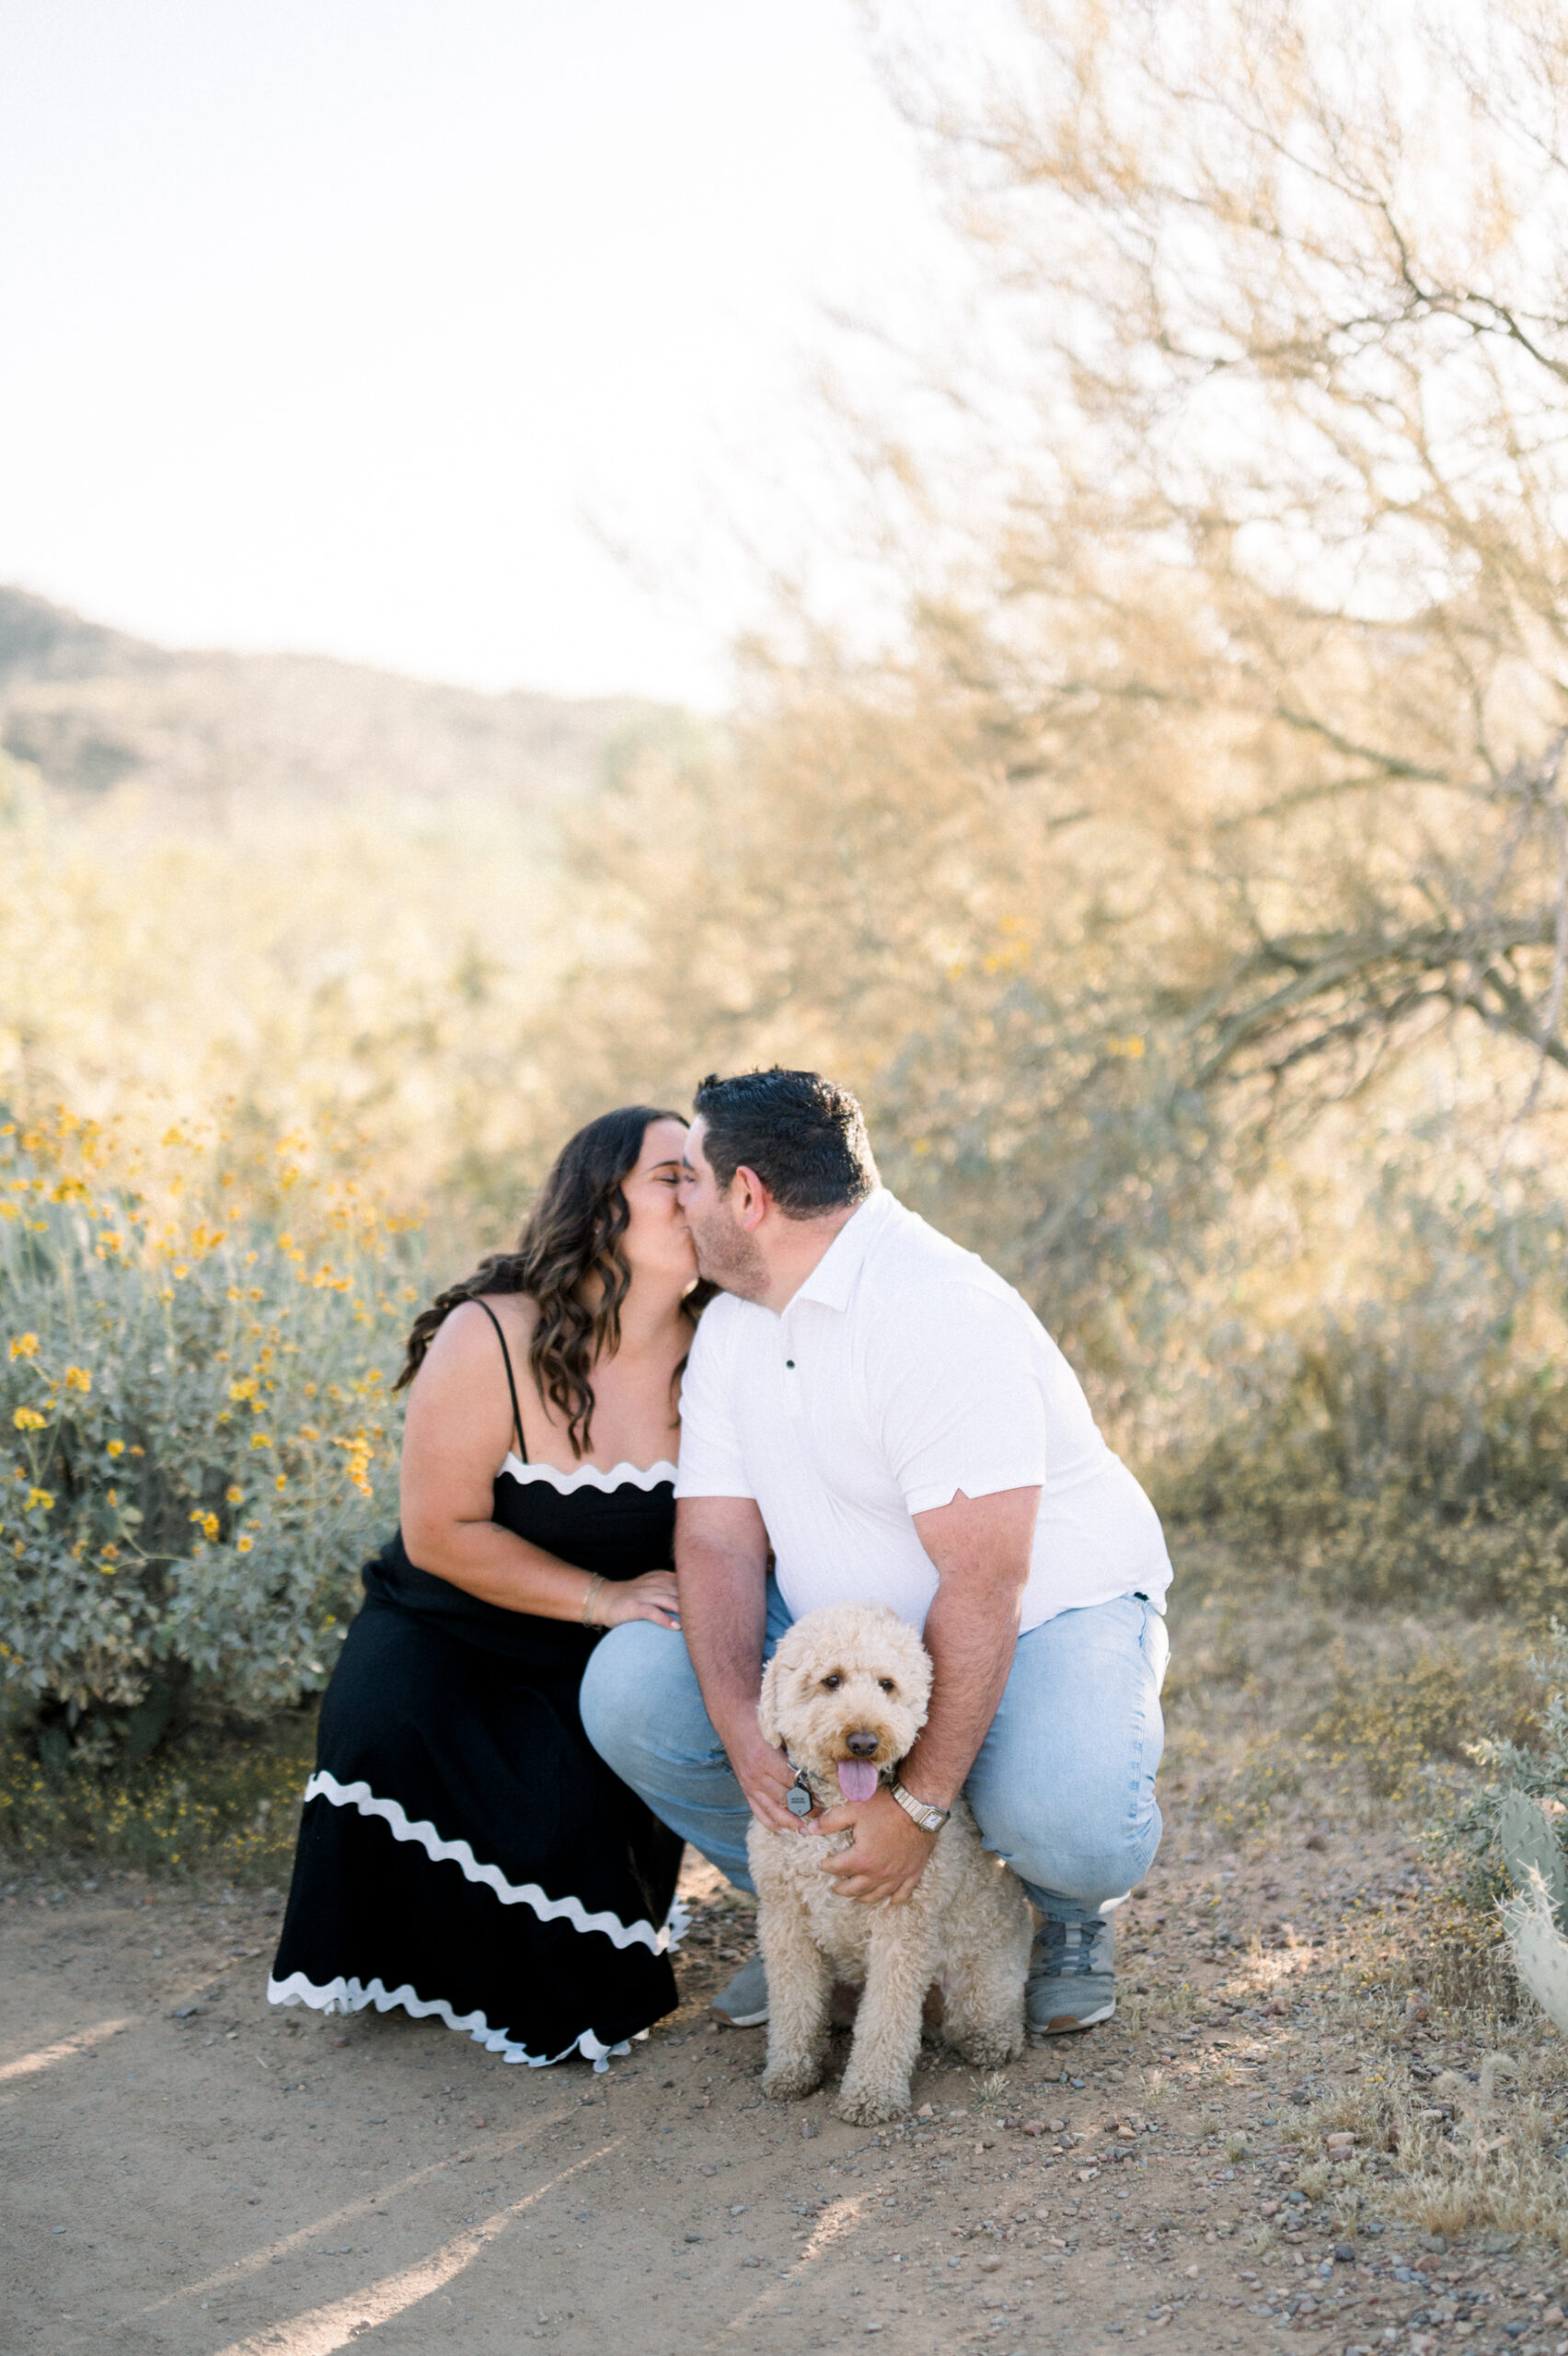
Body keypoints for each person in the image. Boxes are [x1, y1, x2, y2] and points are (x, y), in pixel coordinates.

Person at [581, 1069, 1172, 2038]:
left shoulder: (938, 1310)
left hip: (1040, 1616)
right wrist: (740, 1728)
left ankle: (1067, 1915)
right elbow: (720, 1536)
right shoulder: (734, 1321)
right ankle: (829, 1907)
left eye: (688, 1176)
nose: (675, 1198)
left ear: (748, 1197)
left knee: (1070, 1816)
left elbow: (986, 1583)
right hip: (841, 1634)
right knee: (633, 1691)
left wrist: (923, 1807)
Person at [269, 1106, 700, 2069]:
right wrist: (605, 1594)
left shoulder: (731, 1346)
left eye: (706, 1175)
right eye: (672, 1175)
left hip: (600, 1659)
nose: (698, 1191)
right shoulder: (492, 1335)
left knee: (563, 1830)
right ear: (601, 1203)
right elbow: (440, 1532)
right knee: (385, 1724)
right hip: (448, 1623)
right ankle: (408, 1955)